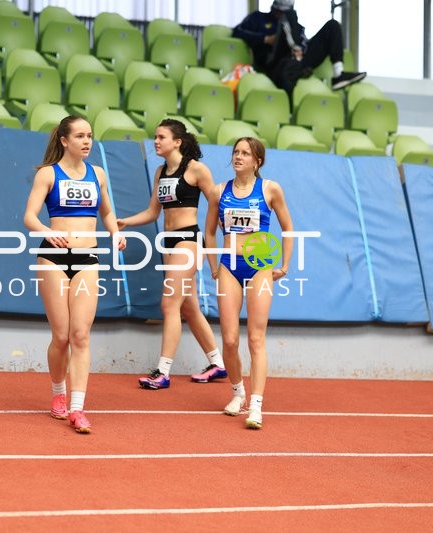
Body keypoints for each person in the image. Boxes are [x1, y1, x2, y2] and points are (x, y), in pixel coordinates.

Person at [23, 115, 126, 434]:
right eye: (80, 136)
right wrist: (45, 230)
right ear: (64, 141)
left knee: (81, 335)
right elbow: (29, 216)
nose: (87, 141)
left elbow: (107, 212)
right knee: (63, 336)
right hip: (53, 258)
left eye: (90, 136)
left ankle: (78, 408)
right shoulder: (47, 175)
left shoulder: (98, 174)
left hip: (87, 257)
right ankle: (58, 394)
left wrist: (114, 233)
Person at [117, 118, 227, 390]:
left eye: (161, 137)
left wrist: (225, 244)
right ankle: (218, 364)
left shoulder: (196, 170)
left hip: (188, 241)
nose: (156, 141)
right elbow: (153, 212)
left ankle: (163, 372)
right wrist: (126, 222)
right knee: (188, 307)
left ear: (177, 141)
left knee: (169, 306)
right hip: (168, 243)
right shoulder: (160, 172)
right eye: (154, 137)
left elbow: (217, 207)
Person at [204, 137, 293, 430]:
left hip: (260, 268)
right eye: (236, 152)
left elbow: (288, 228)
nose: (238, 157)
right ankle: (237, 391)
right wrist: (214, 266)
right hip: (229, 267)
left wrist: (284, 265)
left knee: (256, 339)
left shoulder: (270, 189)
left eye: (245, 153)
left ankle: (256, 404)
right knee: (229, 339)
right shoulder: (219, 191)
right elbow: (209, 233)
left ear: (257, 161)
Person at [233, 0, 365, 96]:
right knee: (288, 22)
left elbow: (303, 40)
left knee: (332, 26)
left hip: (299, 62)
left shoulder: (297, 28)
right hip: (276, 64)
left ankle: (338, 74)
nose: (281, 14)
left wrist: (301, 49)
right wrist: (265, 39)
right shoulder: (258, 17)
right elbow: (237, 31)